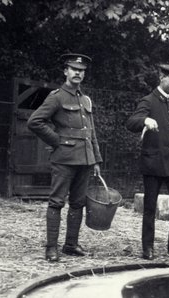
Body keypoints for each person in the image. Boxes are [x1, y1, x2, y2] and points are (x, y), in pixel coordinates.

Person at [27, 53, 102, 262]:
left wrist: (96, 159)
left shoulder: (85, 99)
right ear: (65, 71)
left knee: (78, 203)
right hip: (64, 159)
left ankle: (71, 244)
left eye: (82, 70)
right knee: (56, 202)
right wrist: (56, 140)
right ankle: (51, 248)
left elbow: (91, 132)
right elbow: (35, 121)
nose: (78, 73)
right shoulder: (57, 97)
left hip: (85, 160)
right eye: (74, 69)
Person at [126, 64, 169, 260]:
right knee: (150, 207)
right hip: (153, 164)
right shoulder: (148, 100)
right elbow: (131, 122)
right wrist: (145, 120)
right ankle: (148, 248)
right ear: (161, 77)